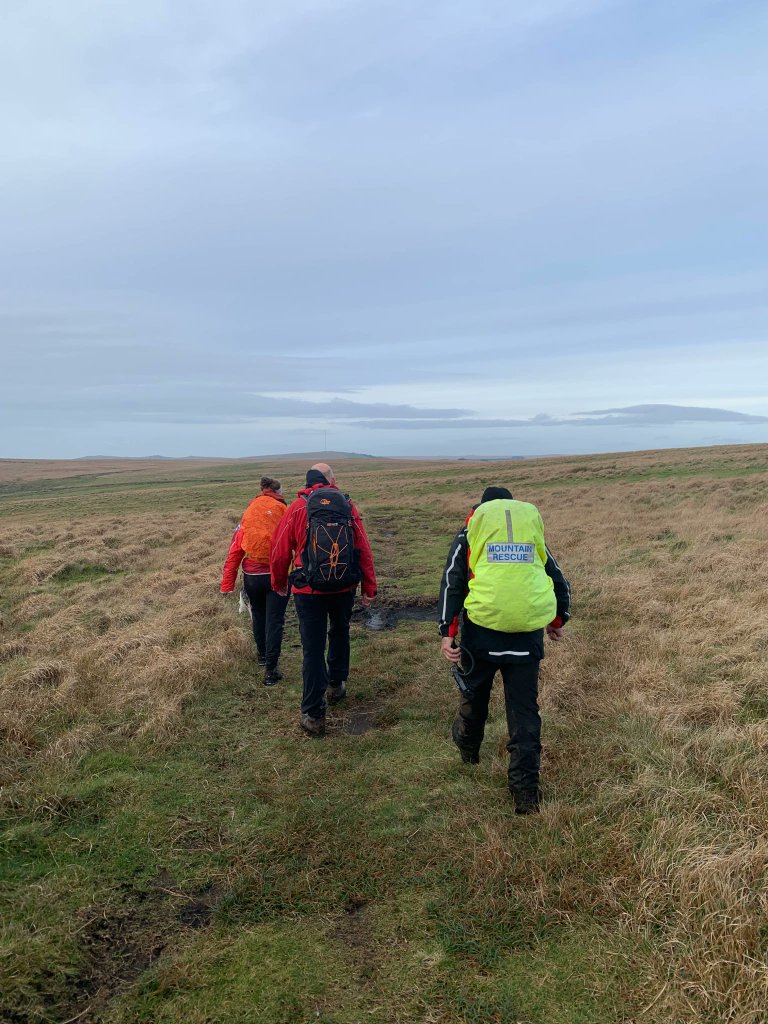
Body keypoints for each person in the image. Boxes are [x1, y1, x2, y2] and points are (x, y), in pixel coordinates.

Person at [438, 485, 571, 814]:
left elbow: (453, 580)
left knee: (474, 696)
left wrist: (447, 632)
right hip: (526, 636)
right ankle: (525, 794)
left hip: (481, 635)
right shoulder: (527, 533)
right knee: (524, 712)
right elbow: (555, 577)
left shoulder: (472, 530)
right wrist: (557, 620)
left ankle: (468, 751)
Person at [271, 463, 377, 736]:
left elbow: (280, 549)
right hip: (344, 587)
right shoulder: (347, 506)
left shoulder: (297, 508)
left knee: (312, 648)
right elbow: (362, 546)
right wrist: (368, 587)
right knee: (340, 632)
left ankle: (313, 714)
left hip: (308, 591)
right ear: (330, 480)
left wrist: (279, 583)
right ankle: (337, 684)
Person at [220, 475, 289, 686]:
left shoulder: (249, 513)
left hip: (252, 577)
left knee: (258, 614)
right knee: (275, 619)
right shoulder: (283, 511)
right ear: (278, 492)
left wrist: (227, 584)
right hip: (277, 574)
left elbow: (236, 550)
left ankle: (262, 656)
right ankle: (271, 670)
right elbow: (294, 541)